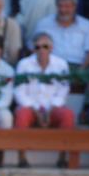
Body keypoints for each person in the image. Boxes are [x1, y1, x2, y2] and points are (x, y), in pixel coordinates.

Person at [13, 33, 73, 168]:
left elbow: (63, 91)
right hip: (31, 108)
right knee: (22, 114)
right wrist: (35, 109)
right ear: (33, 49)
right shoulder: (24, 64)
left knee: (67, 115)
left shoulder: (61, 64)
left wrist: (51, 108)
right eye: (37, 47)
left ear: (51, 48)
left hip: (53, 108)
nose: (41, 50)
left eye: (45, 47)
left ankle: (62, 157)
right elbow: (19, 92)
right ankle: (21, 158)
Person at [34, 0, 89, 69]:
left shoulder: (88, 26)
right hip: (50, 66)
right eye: (60, 6)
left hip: (77, 66)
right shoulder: (43, 24)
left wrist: (80, 72)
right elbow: (34, 48)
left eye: (67, 6)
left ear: (75, 6)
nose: (63, 10)